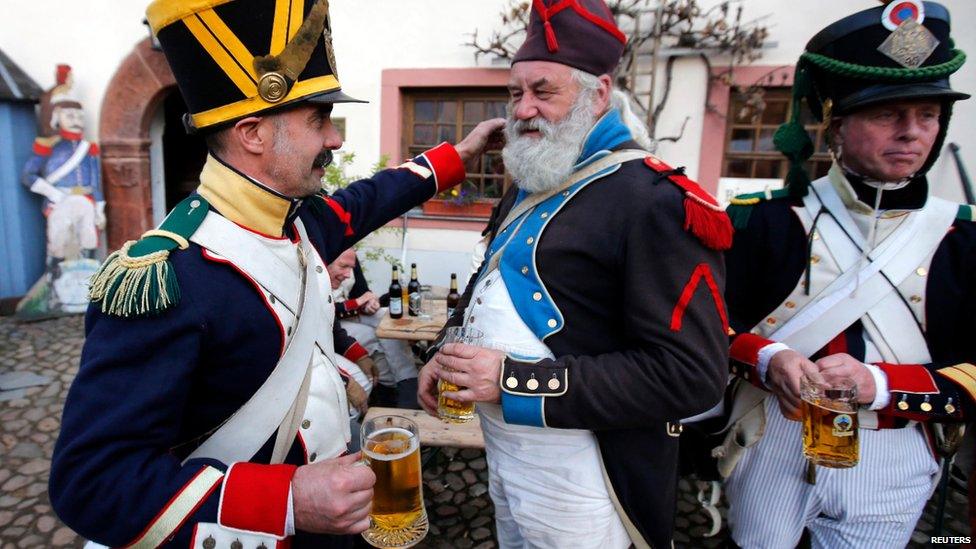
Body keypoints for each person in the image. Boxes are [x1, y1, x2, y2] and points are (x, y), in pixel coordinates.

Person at [48, 1, 504, 547]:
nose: (335, 139)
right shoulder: (167, 279)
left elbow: (367, 200)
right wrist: (288, 499)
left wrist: (457, 155)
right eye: (319, 120)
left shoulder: (297, 220)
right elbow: (91, 483)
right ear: (253, 133)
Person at [417, 1, 731, 547]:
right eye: (516, 94)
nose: (524, 110)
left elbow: (689, 376)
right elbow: (489, 281)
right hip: (503, 444)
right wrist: (446, 349)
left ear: (600, 93)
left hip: (585, 467)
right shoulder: (532, 181)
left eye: (544, 91)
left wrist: (513, 380)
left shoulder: (653, 200)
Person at [718, 2, 976, 547]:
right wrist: (766, 357)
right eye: (888, 115)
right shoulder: (762, 221)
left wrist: (881, 384)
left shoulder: (964, 237)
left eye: (927, 114)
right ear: (836, 124)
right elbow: (703, 328)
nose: (911, 133)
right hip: (775, 437)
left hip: (897, 450)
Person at [22, 78, 104, 268]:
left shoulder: (87, 148)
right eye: (70, 116)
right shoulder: (48, 146)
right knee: (58, 246)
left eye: (79, 116)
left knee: (88, 243)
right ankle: (58, 287)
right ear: (57, 118)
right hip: (59, 201)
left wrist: (99, 209)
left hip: (86, 201)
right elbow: (28, 176)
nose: (77, 121)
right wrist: (54, 194)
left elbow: (95, 181)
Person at [327, 249, 421, 409]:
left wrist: (370, 302)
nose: (349, 274)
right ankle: (394, 390)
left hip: (349, 314)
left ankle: (407, 379)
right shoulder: (315, 265)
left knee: (388, 317)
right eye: (343, 267)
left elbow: (362, 291)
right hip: (331, 323)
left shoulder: (349, 256)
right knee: (375, 336)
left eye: (351, 268)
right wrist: (356, 303)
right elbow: (323, 308)